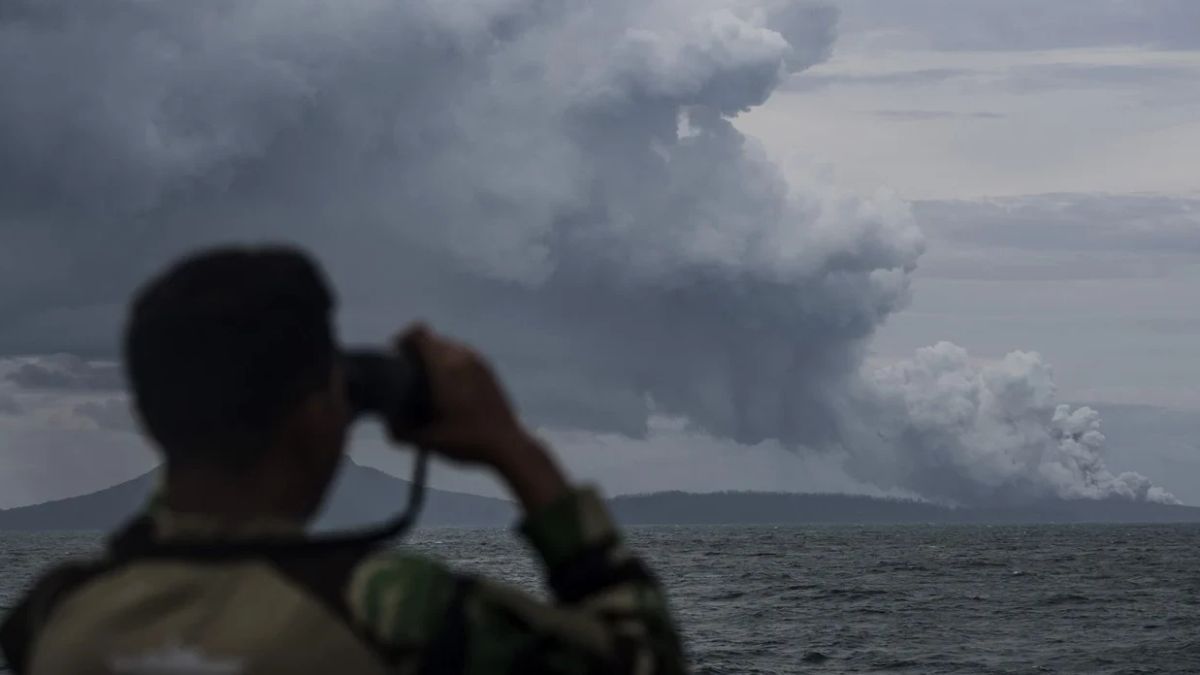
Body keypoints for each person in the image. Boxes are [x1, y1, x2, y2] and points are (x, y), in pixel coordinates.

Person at [0, 246, 688, 674]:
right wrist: (514, 447)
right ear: (315, 419)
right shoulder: (395, 612)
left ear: (151, 417)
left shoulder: (51, 616)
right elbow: (643, 655)